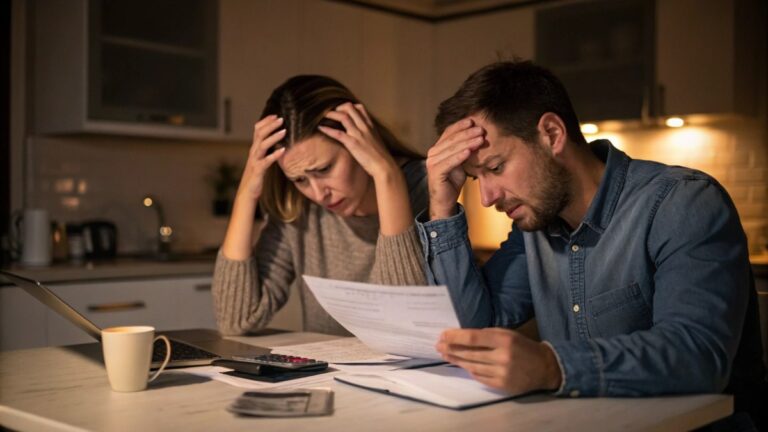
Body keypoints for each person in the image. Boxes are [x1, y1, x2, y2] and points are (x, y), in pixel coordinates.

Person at [419, 61, 766, 426]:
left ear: (552, 134)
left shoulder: (683, 203)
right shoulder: (535, 227)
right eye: (475, 179)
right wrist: (442, 207)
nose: (487, 197)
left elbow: (698, 357)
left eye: (496, 167)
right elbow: (472, 327)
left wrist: (552, 367)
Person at [213, 75, 428, 336]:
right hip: (328, 375)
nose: (318, 194)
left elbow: (404, 322)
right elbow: (235, 320)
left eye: (324, 169)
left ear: (360, 141)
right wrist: (246, 192)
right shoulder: (299, 208)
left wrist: (386, 175)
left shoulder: (427, 187)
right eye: (300, 180)